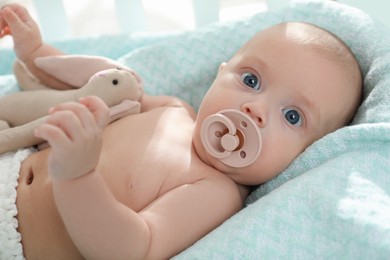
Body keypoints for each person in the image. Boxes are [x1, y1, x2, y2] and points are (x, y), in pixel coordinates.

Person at [0, 3, 362, 259]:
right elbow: (102, 87)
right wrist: (36, 52)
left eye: (293, 117)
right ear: (220, 74)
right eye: (251, 80)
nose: (256, 110)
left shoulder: (215, 192)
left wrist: (78, 177)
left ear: (305, 156)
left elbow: (134, 248)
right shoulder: (173, 109)